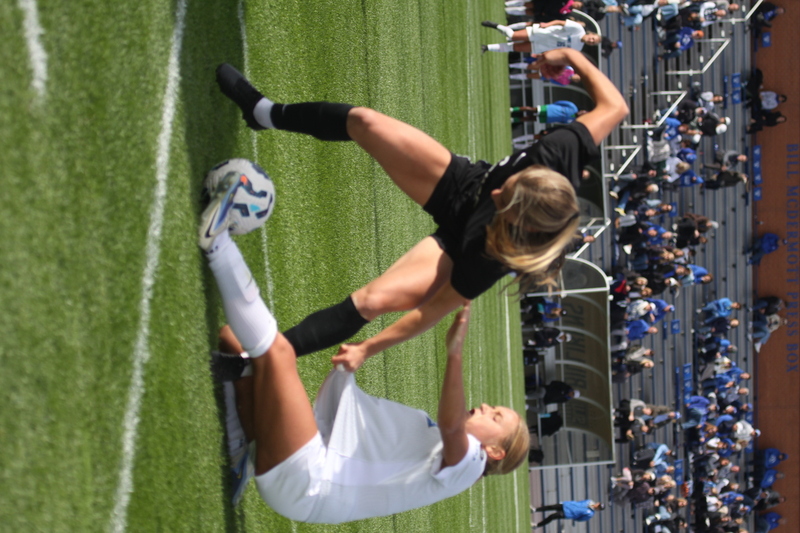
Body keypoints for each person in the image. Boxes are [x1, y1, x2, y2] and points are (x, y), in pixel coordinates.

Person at [215, 49, 627, 368]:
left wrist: (367, 349)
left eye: (505, 202)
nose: (500, 195)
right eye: (510, 185)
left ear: (521, 225)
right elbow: (616, 106)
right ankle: (262, 113)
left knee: (372, 300)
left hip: (463, 243)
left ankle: (258, 364)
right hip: (465, 185)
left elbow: (428, 313)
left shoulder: (494, 258)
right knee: (366, 123)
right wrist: (570, 56)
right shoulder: (559, 150)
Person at [197, 177, 529, 522]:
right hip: (307, 468)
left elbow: (451, 427)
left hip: (309, 483)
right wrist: (354, 364)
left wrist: (455, 353)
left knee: (277, 354)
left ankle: (217, 242)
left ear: (494, 451)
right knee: (233, 341)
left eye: (496, 416)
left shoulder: (469, 465)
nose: (487, 407)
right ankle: (241, 454)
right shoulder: (439, 445)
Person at [481, 20, 601, 55]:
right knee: (512, 35)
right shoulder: (578, 29)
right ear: (591, 34)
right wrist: (546, 25)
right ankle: (494, 25)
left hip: (542, 46)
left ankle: (486, 47)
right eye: (592, 39)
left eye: (592, 43)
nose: (590, 41)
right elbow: (560, 22)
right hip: (541, 33)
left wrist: (543, 54)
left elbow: (560, 52)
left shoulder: (578, 48)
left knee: (514, 48)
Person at [532, 500, 605, 527]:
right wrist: (567, 503)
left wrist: (574, 516)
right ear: (598, 503)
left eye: (598, 507)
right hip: (567, 505)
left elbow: (581, 519)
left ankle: (537, 525)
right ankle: (535, 509)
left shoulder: (590, 514)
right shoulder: (589, 501)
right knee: (551, 507)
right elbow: (578, 503)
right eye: (598, 505)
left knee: (552, 516)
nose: (597, 506)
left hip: (568, 513)